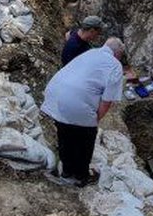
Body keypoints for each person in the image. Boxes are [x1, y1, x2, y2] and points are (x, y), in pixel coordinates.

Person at [41, 37, 125, 187]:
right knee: (85, 141)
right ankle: (80, 176)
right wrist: (94, 120)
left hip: (56, 95)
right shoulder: (115, 65)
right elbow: (107, 101)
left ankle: (67, 171)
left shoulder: (90, 53)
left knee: (65, 134)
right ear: (118, 53)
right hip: (76, 102)